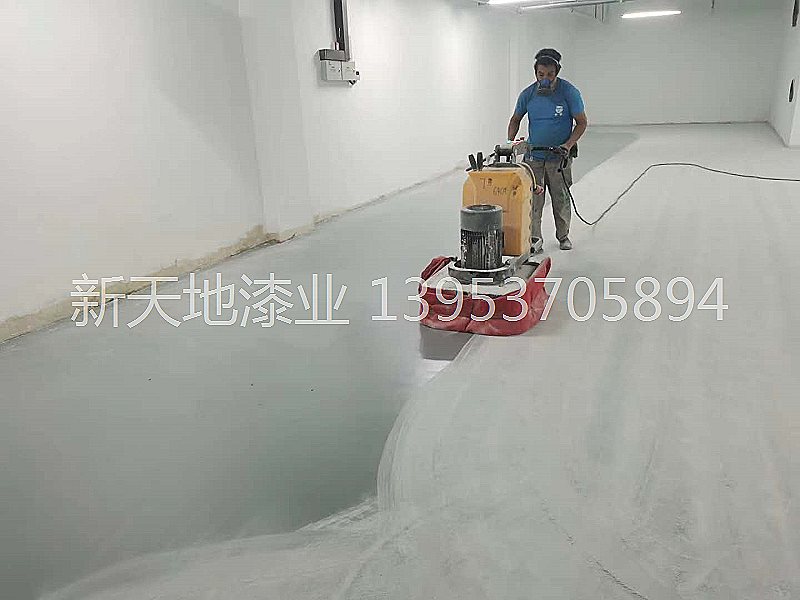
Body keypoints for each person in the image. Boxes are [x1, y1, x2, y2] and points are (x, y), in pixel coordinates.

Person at [508, 48, 588, 251]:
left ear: (557, 72)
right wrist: (510, 144)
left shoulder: (569, 92)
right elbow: (515, 119)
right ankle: (535, 240)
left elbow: (581, 122)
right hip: (534, 158)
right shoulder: (528, 94)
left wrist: (568, 145)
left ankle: (563, 236)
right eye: (541, 74)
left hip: (558, 158)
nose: (545, 79)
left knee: (560, 199)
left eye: (550, 75)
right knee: (533, 200)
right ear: (535, 73)